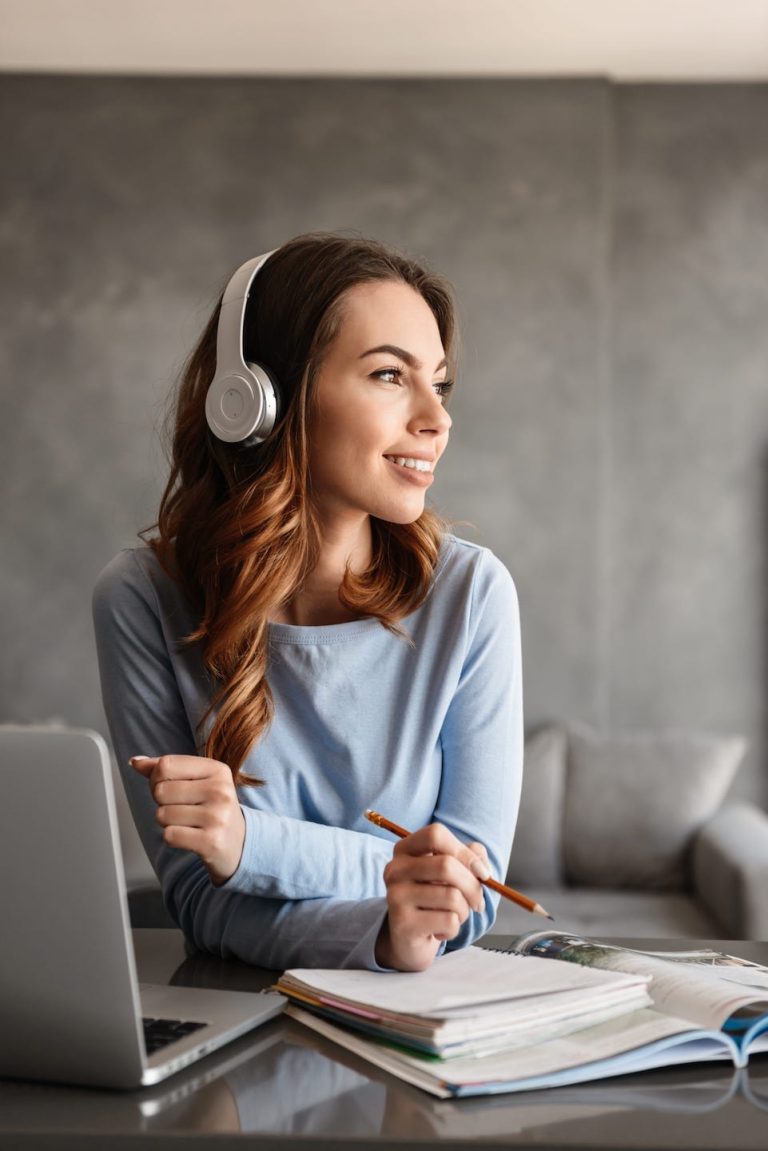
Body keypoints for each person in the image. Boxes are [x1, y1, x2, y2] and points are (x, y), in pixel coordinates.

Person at [93, 233, 523, 973]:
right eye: (391, 374)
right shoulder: (139, 599)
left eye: (441, 385)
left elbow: (467, 893)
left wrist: (252, 846)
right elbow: (199, 899)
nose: (437, 418)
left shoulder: (472, 595)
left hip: (420, 1029)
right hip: (236, 1019)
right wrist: (382, 930)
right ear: (257, 399)